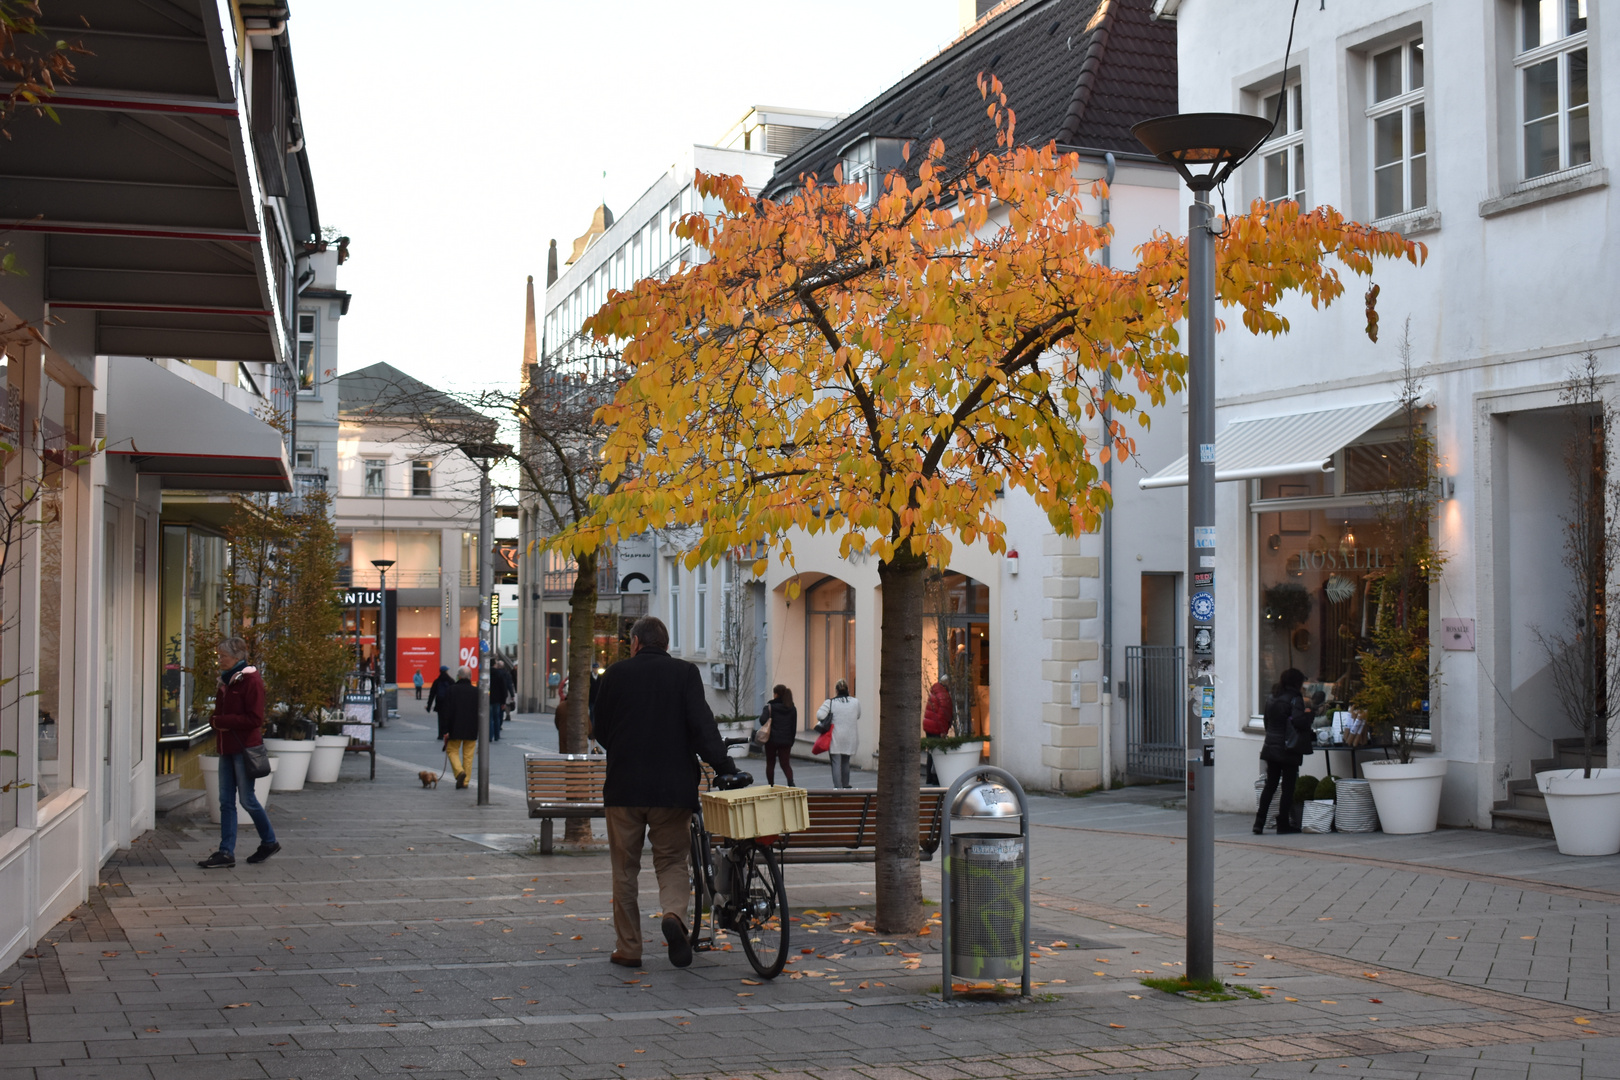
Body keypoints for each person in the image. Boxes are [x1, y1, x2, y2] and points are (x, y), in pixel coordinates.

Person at [591, 616, 739, 969]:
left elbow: (600, 729)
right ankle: (674, 915)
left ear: (636, 643)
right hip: (673, 790)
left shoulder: (615, 675)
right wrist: (725, 769)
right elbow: (703, 727)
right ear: (666, 645)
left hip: (624, 788)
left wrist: (623, 748)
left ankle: (629, 948)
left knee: (624, 870)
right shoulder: (685, 674)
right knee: (672, 862)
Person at [197, 636, 279, 868]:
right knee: (225, 801)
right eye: (219, 656)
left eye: (223, 656)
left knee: (247, 799)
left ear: (236, 657)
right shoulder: (227, 681)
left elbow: (255, 718)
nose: (219, 660)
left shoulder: (250, 681)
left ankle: (269, 841)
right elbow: (219, 715)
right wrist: (216, 721)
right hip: (227, 747)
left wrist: (223, 721)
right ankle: (226, 852)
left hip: (244, 749)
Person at [1255, 667, 1313, 835]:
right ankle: (1283, 824)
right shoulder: (1295, 698)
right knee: (1288, 788)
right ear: (1297, 682)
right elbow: (1300, 721)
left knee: (1270, 786)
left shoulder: (1272, 696)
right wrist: (1310, 714)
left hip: (1271, 747)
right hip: (1288, 749)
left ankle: (1259, 822)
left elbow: (1267, 721)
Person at [815, 679, 861, 789]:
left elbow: (820, 715)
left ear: (836, 690)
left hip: (835, 737)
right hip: (850, 737)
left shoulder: (830, 702)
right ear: (847, 689)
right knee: (846, 762)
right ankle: (846, 785)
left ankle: (838, 788)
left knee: (836, 763)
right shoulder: (855, 702)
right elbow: (858, 715)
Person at [445, 666, 479, 789]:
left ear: (458, 676)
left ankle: (460, 772)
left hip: (455, 726)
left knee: (451, 750)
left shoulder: (451, 690)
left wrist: (445, 730)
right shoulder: (477, 692)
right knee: (468, 755)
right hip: (472, 727)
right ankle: (465, 782)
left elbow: (446, 711)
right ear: (470, 677)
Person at [760, 684, 797, 786]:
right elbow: (793, 726)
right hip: (786, 741)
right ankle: (791, 782)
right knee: (785, 764)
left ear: (776, 694)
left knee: (770, 763)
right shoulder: (792, 708)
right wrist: (791, 741)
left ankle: (771, 785)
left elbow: (762, 720)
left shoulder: (770, 707)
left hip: (771, 740)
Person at [426, 664, 454, 746]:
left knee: (440, 719)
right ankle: (447, 733)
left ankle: (440, 735)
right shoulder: (450, 681)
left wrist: (429, 705)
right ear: (446, 671)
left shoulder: (437, 681)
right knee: (448, 719)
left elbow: (432, 694)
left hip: (439, 703)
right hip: (448, 703)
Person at [489, 660, 512, 742]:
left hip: (488, 699)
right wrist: (503, 701)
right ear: (495, 665)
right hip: (498, 700)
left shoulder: (486, 674)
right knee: (497, 718)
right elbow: (503, 688)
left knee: (490, 719)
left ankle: (489, 736)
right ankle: (496, 735)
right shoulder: (500, 674)